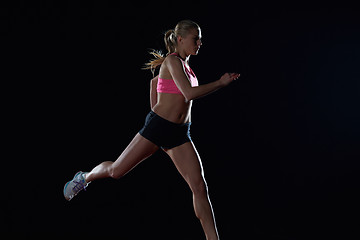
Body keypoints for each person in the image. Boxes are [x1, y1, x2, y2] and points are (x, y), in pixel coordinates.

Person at [63, 19, 240, 240]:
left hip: (179, 133)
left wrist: (159, 106)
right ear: (180, 39)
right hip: (158, 128)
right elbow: (189, 94)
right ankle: (85, 177)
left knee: (199, 187)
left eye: (201, 38)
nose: (200, 42)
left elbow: (155, 82)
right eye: (196, 38)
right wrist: (220, 83)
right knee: (116, 171)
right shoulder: (172, 61)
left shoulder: (187, 67)